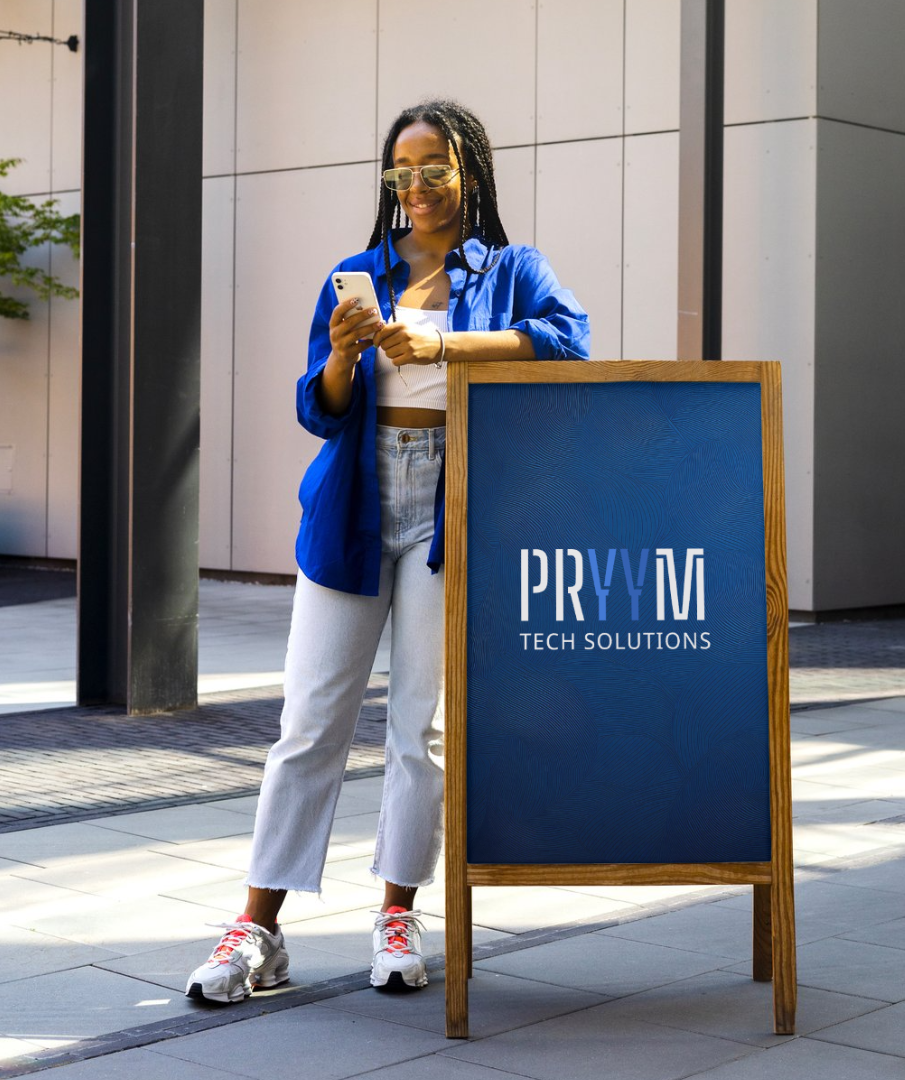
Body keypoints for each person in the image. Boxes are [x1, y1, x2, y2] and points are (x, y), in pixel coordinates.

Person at [186, 99, 589, 1003]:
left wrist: (443, 343)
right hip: (355, 504)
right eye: (400, 172)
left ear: (469, 175)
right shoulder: (354, 273)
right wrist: (339, 357)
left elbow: (568, 343)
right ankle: (259, 926)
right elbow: (317, 409)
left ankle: (396, 912)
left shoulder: (513, 268)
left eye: (434, 170)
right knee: (309, 724)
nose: (416, 187)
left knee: (422, 732)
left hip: (455, 507)